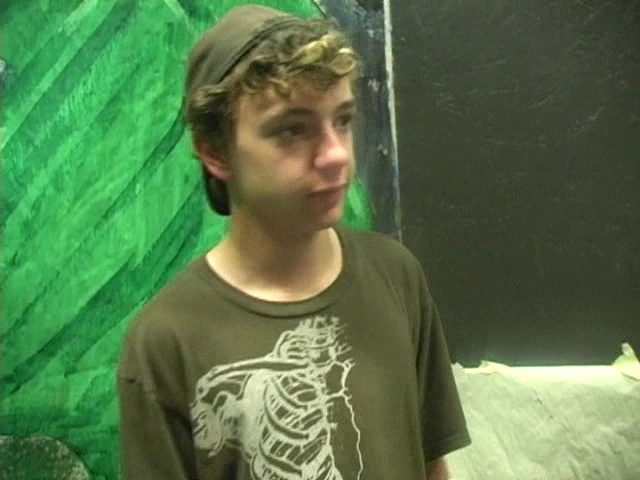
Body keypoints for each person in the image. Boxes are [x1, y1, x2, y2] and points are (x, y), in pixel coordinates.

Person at [117, 4, 471, 479]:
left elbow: (431, 465)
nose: (335, 155)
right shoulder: (166, 341)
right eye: (292, 130)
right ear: (215, 151)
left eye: (342, 120)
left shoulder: (395, 277)